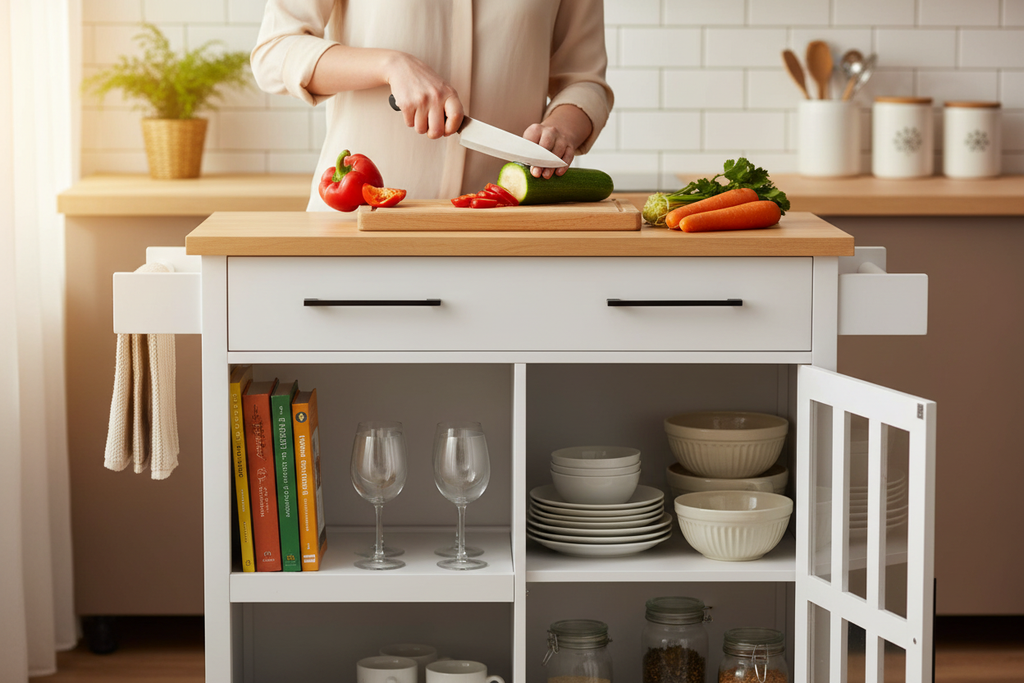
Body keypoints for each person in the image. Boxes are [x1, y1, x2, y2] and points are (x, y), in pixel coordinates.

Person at [251, 0, 614, 211]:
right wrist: (389, 65)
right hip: (361, 230)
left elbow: (583, 81)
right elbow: (274, 53)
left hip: (505, 237)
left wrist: (564, 128)